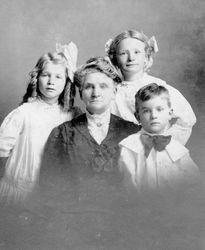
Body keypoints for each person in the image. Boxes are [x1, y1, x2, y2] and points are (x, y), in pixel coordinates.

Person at [39, 56, 140, 193]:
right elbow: (50, 185)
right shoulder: (63, 133)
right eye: (88, 87)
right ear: (81, 93)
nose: (96, 93)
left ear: (114, 92)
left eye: (103, 86)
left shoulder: (132, 131)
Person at [0, 42, 80, 203]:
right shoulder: (23, 113)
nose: (51, 82)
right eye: (46, 75)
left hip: (53, 192)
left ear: (66, 82)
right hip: (20, 190)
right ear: (37, 78)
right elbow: (1, 150)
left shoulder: (71, 116)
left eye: (58, 77)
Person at [105, 29, 196, 145]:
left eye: (137, 52)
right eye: (123, 53)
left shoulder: (158, 87)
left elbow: (187, 118)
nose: (131, 58)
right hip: (126, 152)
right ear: (115, 59)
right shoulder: (113, 92)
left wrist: (165, 143)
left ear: (146, 57)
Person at [119, 83, 199, 192]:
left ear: (170, 113)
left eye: (159, 109)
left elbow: (194, 182)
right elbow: (127, 187)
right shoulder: (129, 147)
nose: (153, 116)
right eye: (146, 111)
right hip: (140, 205)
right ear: (137, 116)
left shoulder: (177, 149)